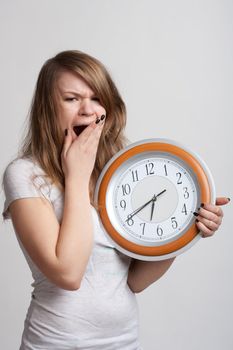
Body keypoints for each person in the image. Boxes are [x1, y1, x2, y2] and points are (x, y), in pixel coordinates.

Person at [1, 50, 230, 350]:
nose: (87, 110)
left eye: (97, 98)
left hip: (123, 343)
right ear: (48, 108)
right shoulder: (25, 174)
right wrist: (77, 177)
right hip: (54, 343)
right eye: (71, 99)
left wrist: (185, 232)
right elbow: (68, 274)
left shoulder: (120, 174)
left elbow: (135, 281)